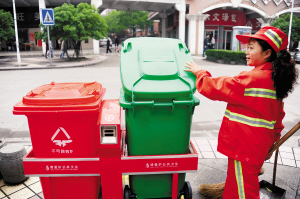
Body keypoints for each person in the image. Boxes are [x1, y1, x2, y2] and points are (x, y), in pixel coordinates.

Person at [184, 26, 298, 198]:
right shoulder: (274, 79)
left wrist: (200, 73)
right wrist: (271, 143)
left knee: (244, 191)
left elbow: (217, 87)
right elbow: (278, 117)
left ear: (267, 53)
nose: (246, 51)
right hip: (256, 146)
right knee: (234, 186)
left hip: (244, 146)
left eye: (251, 47)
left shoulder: (254, 78)